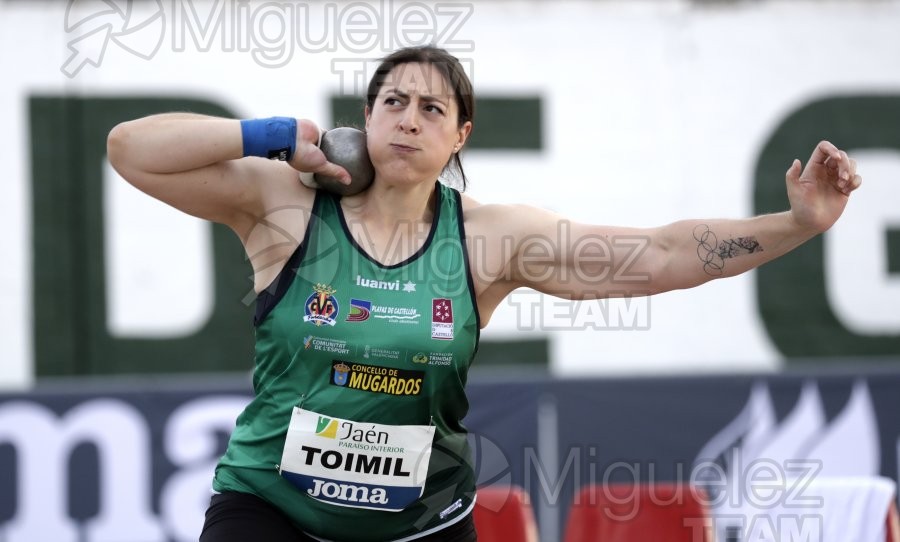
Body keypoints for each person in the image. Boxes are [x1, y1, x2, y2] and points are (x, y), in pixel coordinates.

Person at [107, 45, 861, 542]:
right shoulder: (287, 208)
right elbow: (130, 150)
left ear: (460, 135)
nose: (408, 119)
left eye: (431, 110)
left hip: (423, 522)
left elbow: (661, 254)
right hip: (270, 511)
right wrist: (269, 131)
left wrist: (796, 224)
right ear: (362, 119)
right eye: (392, 102)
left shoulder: (486, 241)